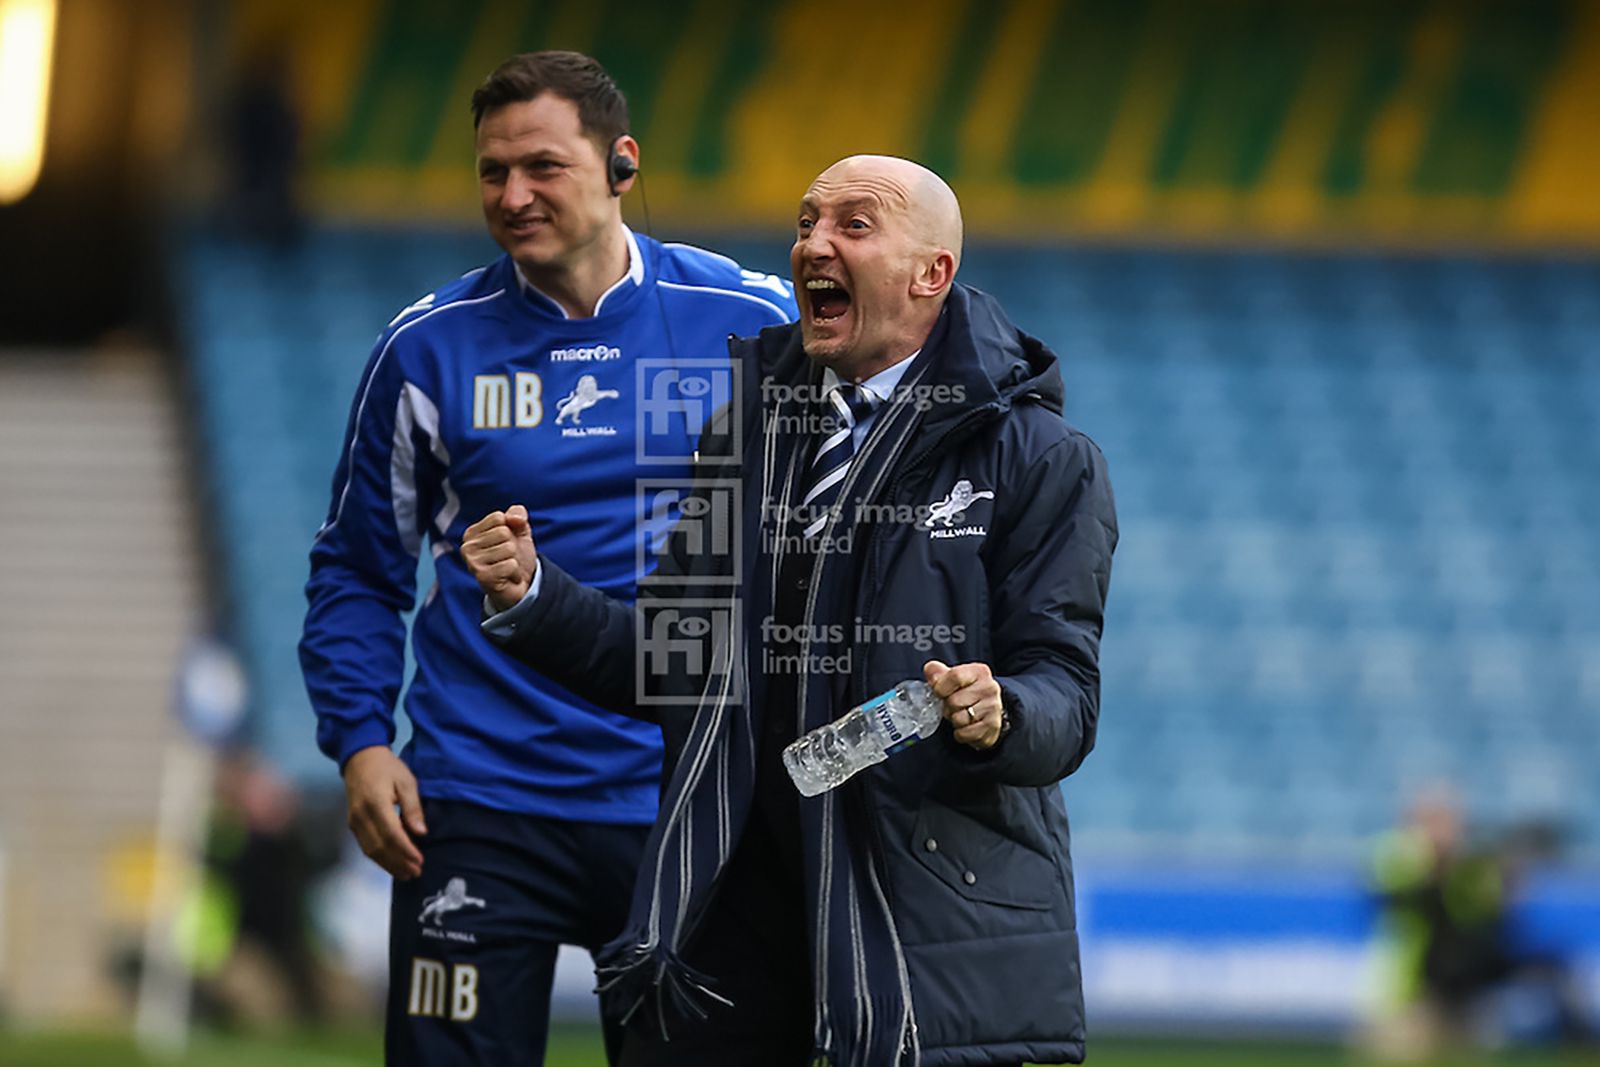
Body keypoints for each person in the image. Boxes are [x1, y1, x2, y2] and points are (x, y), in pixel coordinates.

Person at [463, 155, 1117, 1066]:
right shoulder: (744, 435)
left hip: (918, 911)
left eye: (855, 224)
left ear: (932, 273)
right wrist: (536, 595)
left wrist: (999, 710)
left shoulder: (1039, 457)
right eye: (808, 222)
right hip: (729, 905)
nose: (813, 244)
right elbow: (675, 664)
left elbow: (1066, 692)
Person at [298, 51, 796, 1066]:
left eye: (542, 166)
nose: (513, 194)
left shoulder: (755, 321)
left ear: (621, 163)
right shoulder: (426, 348)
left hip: (685, 795)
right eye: (492, 171)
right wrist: (360, 742)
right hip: (478, 797)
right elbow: (357, 566)